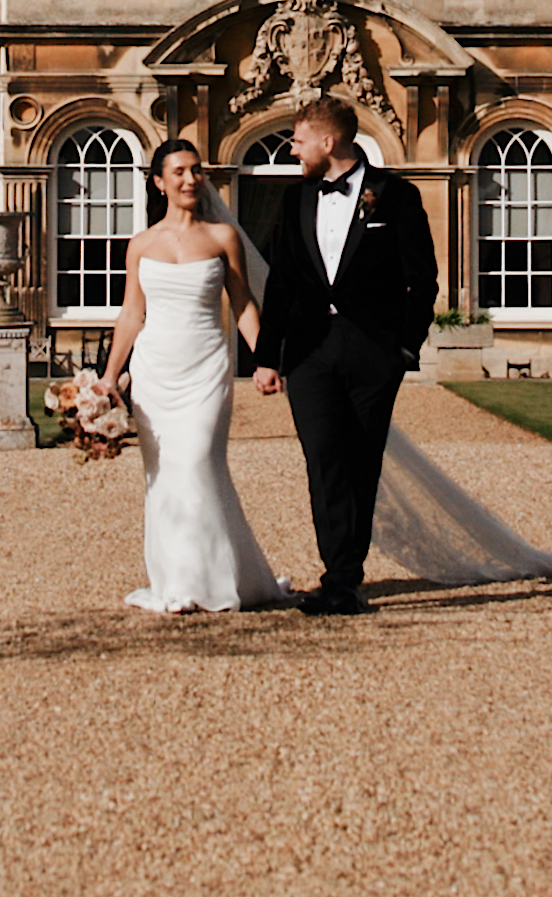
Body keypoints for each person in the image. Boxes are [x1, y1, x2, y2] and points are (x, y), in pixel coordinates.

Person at [245, 97, 439, 615]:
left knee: (361, 461)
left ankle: (347, 577)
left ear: (328, 142)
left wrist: (404, 345)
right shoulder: (295, 200)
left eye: (299, 139)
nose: (293, 148)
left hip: (373, 350)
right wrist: (267, 357)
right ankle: (339, 577)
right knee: (323, 459)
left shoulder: (395, 195)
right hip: (309, 351)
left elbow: (422, 279)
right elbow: (282, 284)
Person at [100, 140, 291, 612]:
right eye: (180, 171)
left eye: (196, 170)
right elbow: (131, 315)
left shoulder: (223, 237)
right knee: (164, 473)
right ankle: (179, 581)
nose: (190, 179)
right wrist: (108, 379)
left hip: (207, 366)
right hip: (154, 370)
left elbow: (243, 303)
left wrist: (264, 358)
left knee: (198, 461)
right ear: (160, 182)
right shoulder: (141, 245)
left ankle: (214, 580)